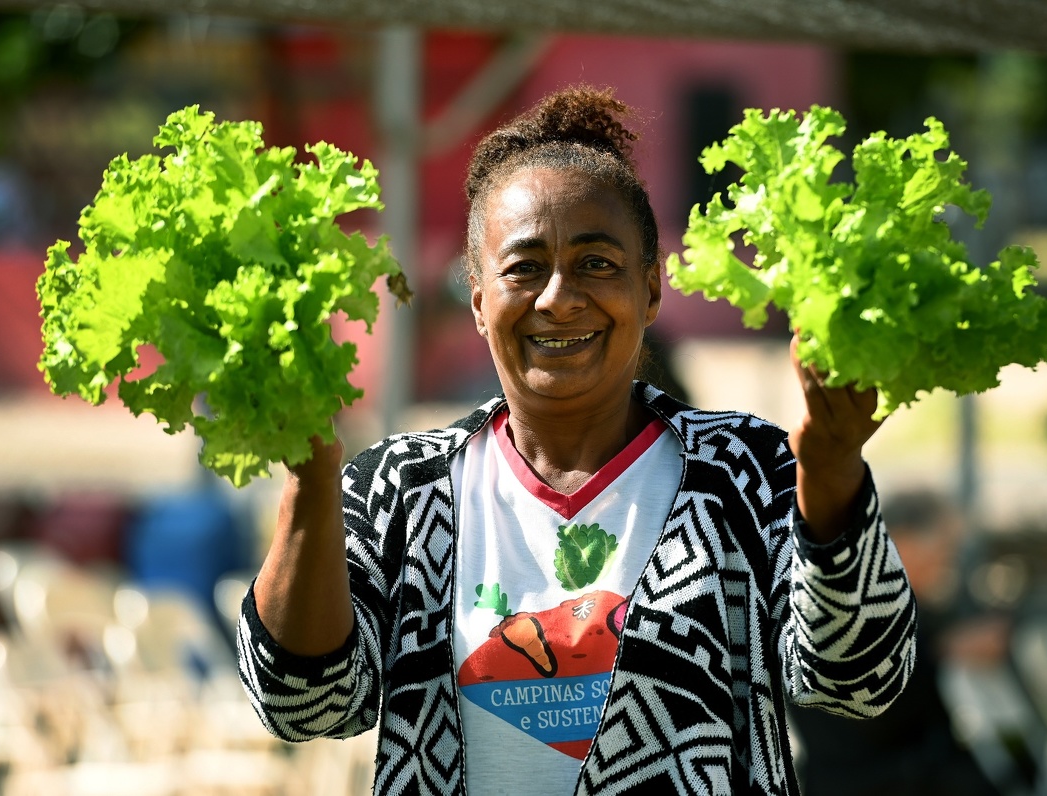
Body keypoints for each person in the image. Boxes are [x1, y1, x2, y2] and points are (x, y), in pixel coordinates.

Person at [236, 86, 916, 795]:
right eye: (524, 267)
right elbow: (302, 706)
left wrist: (834, 470)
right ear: (478, 299)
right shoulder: (399, 489)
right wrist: (312, 482)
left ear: (651, 289)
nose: (558, 297)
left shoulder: (746, 470)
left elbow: (862, 682)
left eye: (597, 264)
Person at [786, 488, 1008, 796]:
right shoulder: (852, 602)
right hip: (871, 781)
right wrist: (947, 650)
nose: (950, 562)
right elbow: (871, 704)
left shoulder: (897, 602)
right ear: (904, 539)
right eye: (945, 548)